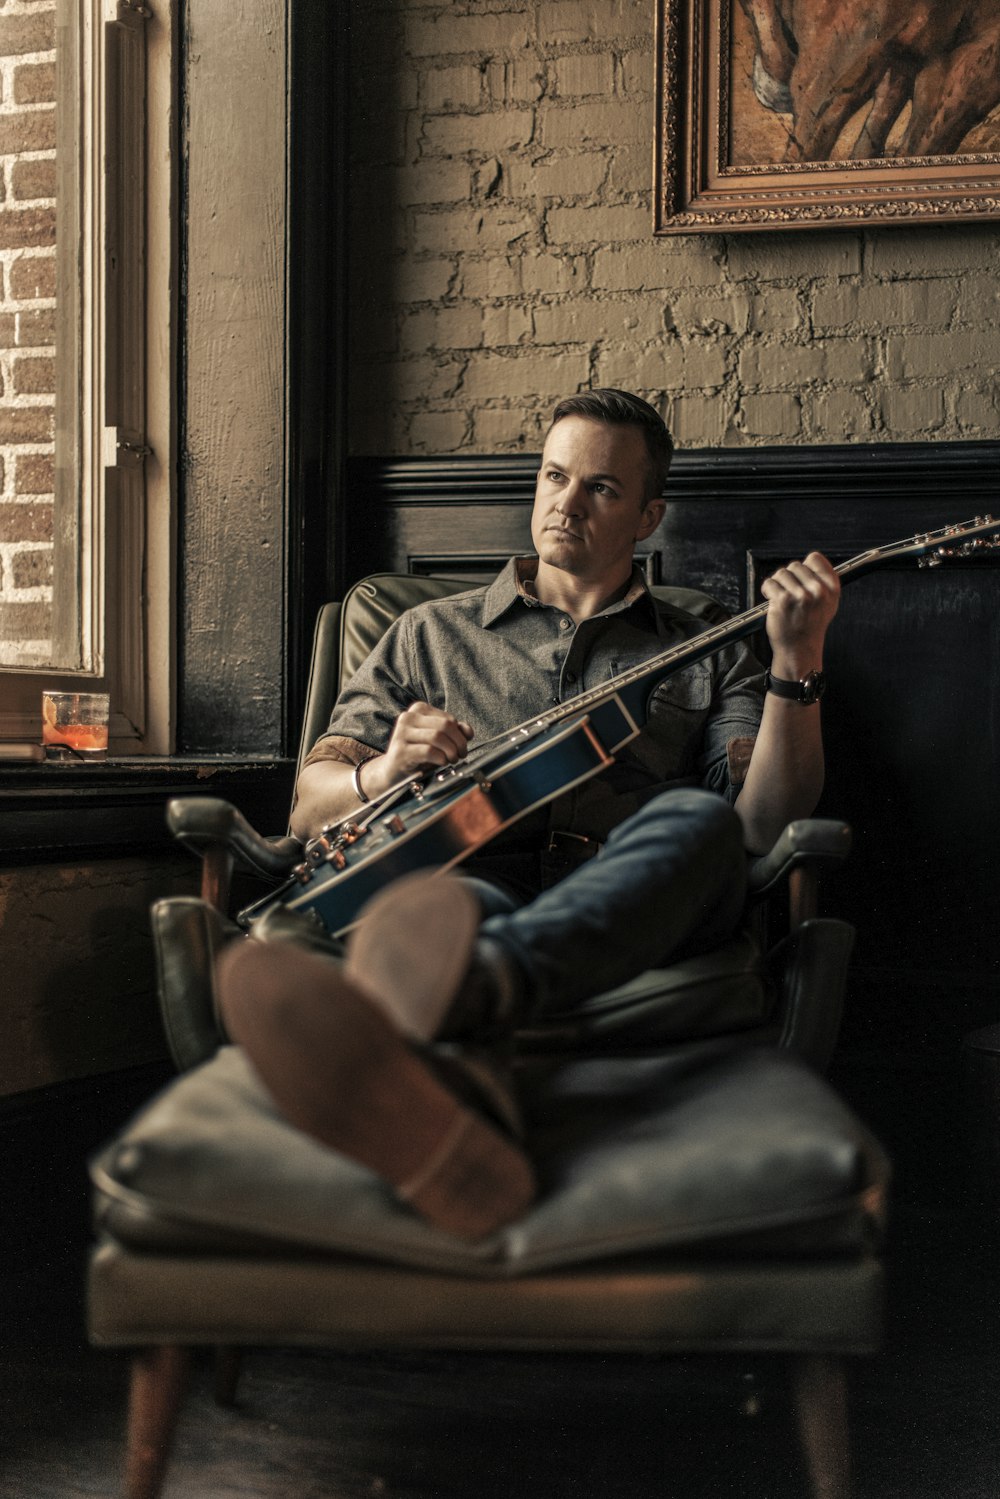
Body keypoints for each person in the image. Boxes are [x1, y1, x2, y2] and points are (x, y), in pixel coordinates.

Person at [217, 389, 841, 1243]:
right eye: (553, 476)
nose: (565, 503)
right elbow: (310, 802)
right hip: (478, 881)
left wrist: (795, 660)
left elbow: (764, 823)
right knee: (436, 909)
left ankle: (457, 1003)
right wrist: (387, 769)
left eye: (602, 489)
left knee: (699, 825)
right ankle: (479, 1028)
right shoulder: (425, 635)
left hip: (635, 896)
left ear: (649, 515)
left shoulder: (712, 645)